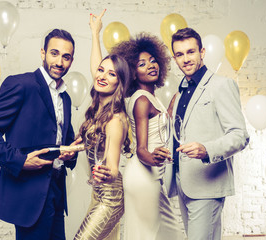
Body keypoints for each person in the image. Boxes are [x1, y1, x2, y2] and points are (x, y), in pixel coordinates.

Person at [0, 29, 82, 240]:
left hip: (56, 194)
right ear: (43, 53)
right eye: (54, 53)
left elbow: (63, 142)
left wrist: (72, 153)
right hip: (29, 194)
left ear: (71, 60)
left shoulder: (65, 97)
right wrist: (20, 160)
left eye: (66, 57)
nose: (59, 62)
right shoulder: (21, 84)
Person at [90, 10, 184, 240]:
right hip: (144, 174)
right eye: (141, 64)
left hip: (151, 176)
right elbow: (142, 149)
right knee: (146, 236)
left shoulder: (146, 98)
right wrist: (155, 157)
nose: (150, 65)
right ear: (133, 72)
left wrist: (171, 108)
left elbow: (160, 127)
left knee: (170, 234)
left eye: (153, 60)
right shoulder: (141, 100)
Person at [166, 27, 250, 240]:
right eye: (179, 54)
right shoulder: (180, 92)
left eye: (190, 52)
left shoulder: (222, 85)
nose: (186, 59)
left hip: (207, 185)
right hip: (183, 183)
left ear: (202, 52)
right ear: (174, 58)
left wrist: (207, 150)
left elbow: (240, 135)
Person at [73, 12, 131, 240]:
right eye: (101, 71)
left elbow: (114, 166)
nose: (103, 76)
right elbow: (97, 67)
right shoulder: (99, 108)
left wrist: (108, 171)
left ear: (120, 82)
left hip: (110, 198)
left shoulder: (115, 119)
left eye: (112, 74)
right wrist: (95, 32)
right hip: (97, 194)